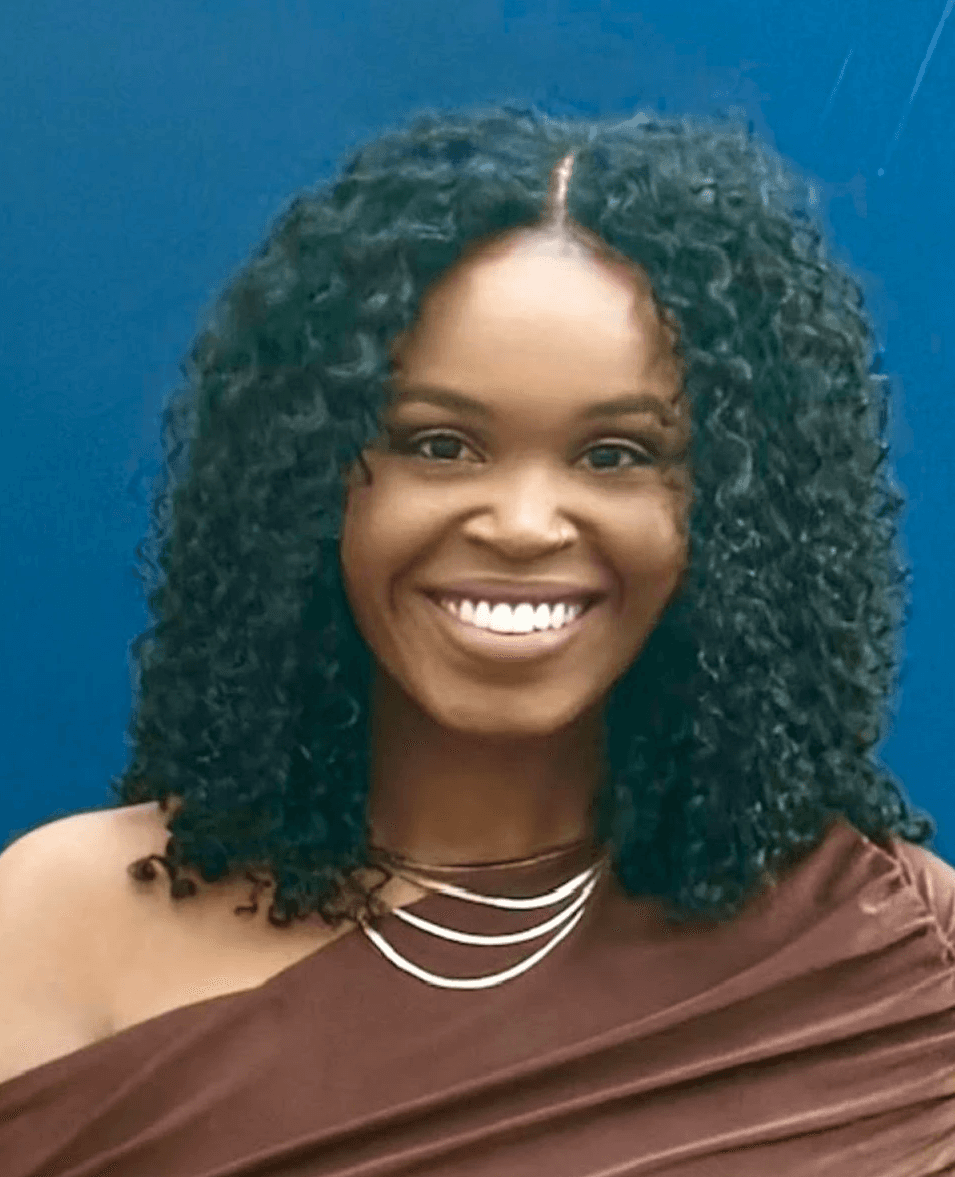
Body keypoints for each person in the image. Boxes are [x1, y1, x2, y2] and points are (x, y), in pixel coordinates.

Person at [1, 102, 953, 1175]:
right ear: (305, 484)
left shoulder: (891, 957)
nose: (523, 525)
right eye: (440, 444)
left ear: (738, 511)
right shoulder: (56, 928)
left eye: (615, 455)